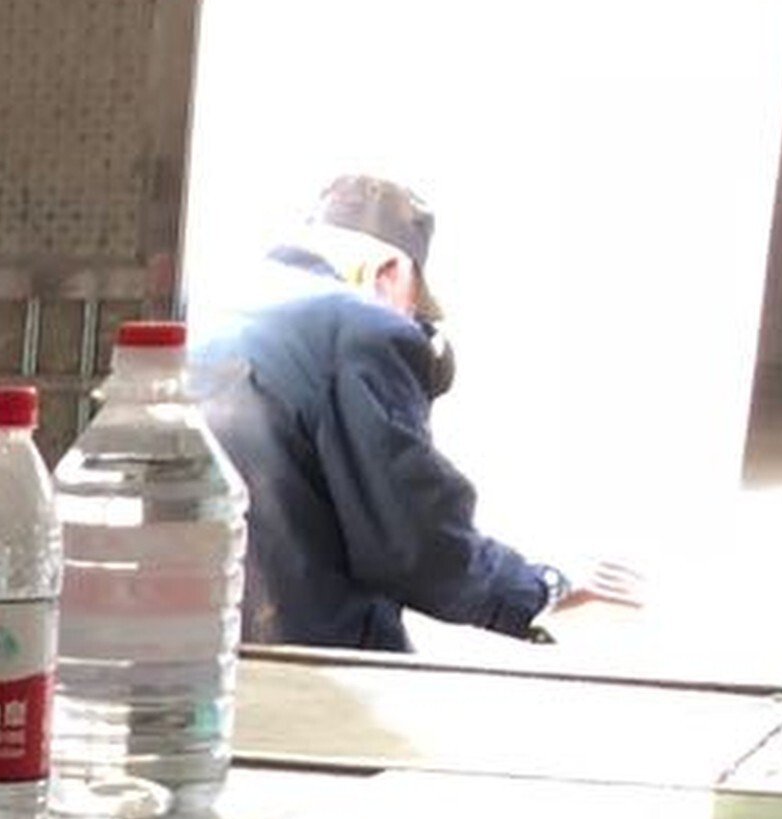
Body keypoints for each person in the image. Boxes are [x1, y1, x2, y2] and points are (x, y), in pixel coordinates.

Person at [190, 173, 635, 655]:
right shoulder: (362, 326)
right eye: (414, 309)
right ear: (389, 273)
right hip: (307, 671)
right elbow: (414, 543)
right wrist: (544, 587)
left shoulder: (214, 316)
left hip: (201, 660)